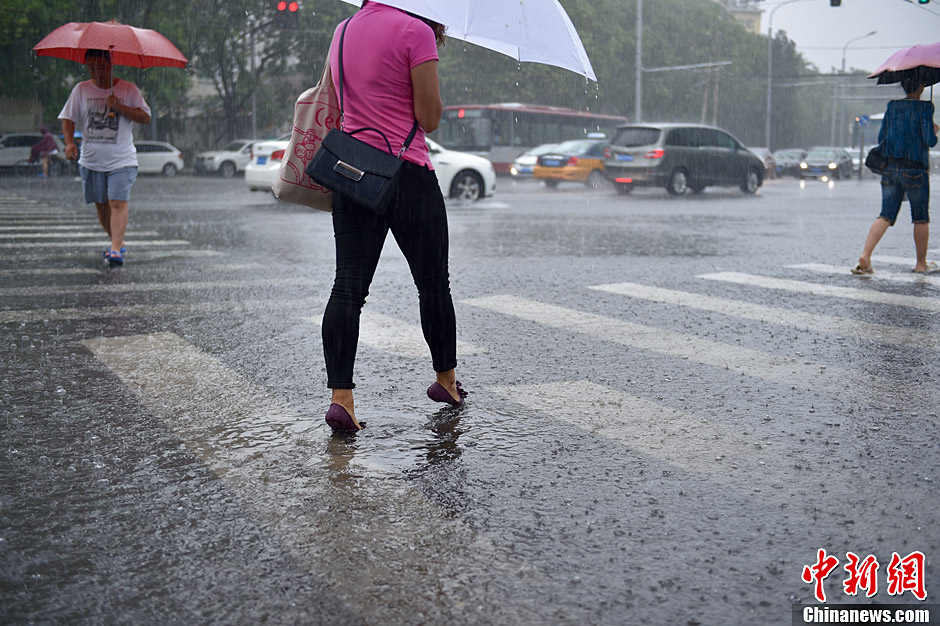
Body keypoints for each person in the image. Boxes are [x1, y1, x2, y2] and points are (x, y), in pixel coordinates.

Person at [320, 1, 466, 432]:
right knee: (433, 284)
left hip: (353, 172)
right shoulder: (414, 32)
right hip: (407, 174)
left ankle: (341, 399)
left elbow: (342, 100)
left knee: (347, 288)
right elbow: (430, 117)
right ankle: (447, 380)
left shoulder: (343, 30)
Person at [59, 49, 151, 266]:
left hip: (122, 160)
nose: (96, 72)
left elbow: (146, 117)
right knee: (101, 205)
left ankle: (116, 249)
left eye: (100, 67)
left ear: (111, 65)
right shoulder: (81, 89)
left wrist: (120, 106)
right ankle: (116, 241)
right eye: (91, 68)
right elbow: (68, 119)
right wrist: (70, 143)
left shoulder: (128, 89)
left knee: (117, 202)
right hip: (91, 160)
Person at [852, 77, 938, 275]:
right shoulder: (925, 108)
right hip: (915, 169)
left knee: (886, 214)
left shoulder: (892, 107)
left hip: (890, 168)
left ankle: (865, 255)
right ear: (921, 86)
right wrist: (934, 130)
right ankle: (920, 264)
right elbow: (930, 140)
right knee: (920, 217)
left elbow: (882, 137)